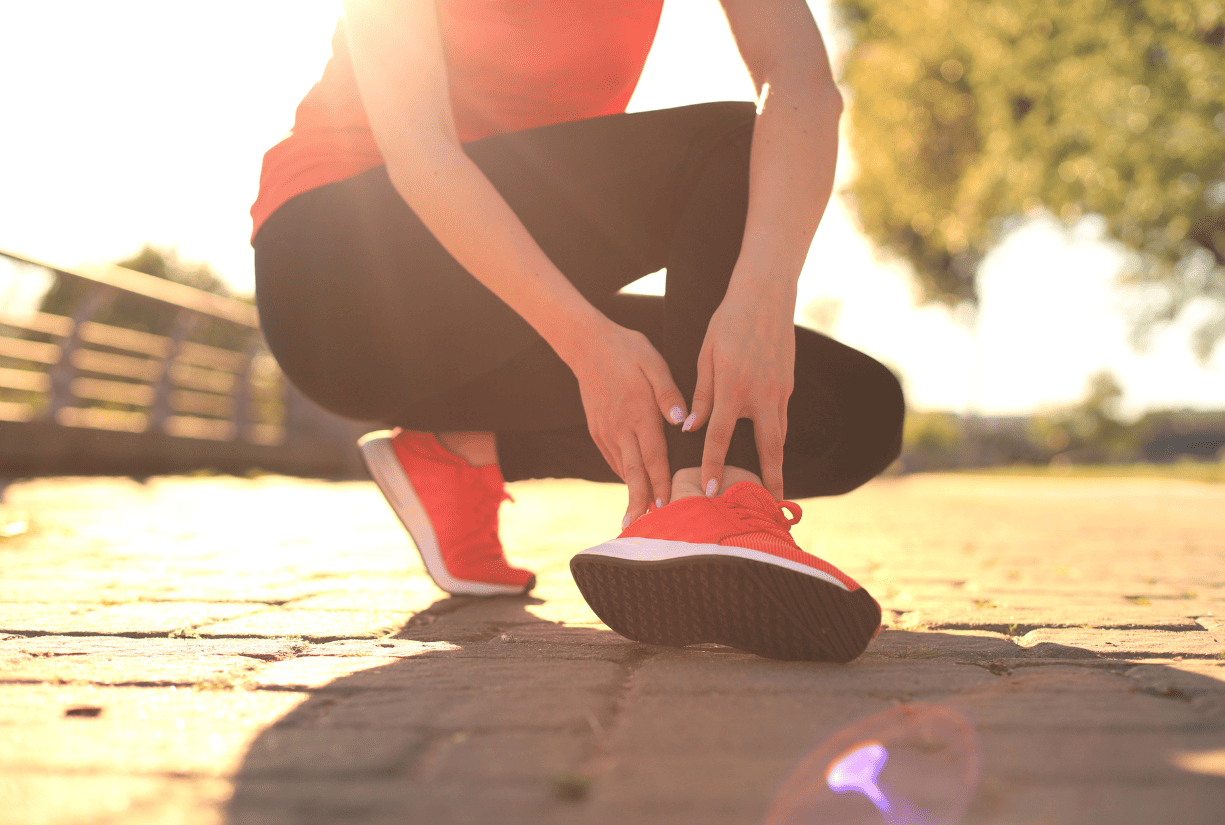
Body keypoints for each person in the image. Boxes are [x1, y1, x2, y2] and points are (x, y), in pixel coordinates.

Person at [251, 0, 904, 662]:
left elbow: (800, 80)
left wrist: (760, 301)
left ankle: (463, 452)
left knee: (848, 413)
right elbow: (419, 149)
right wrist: (586, 341)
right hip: (338, 279)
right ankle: (709, 500)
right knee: (730, 144)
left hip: (491, 314)